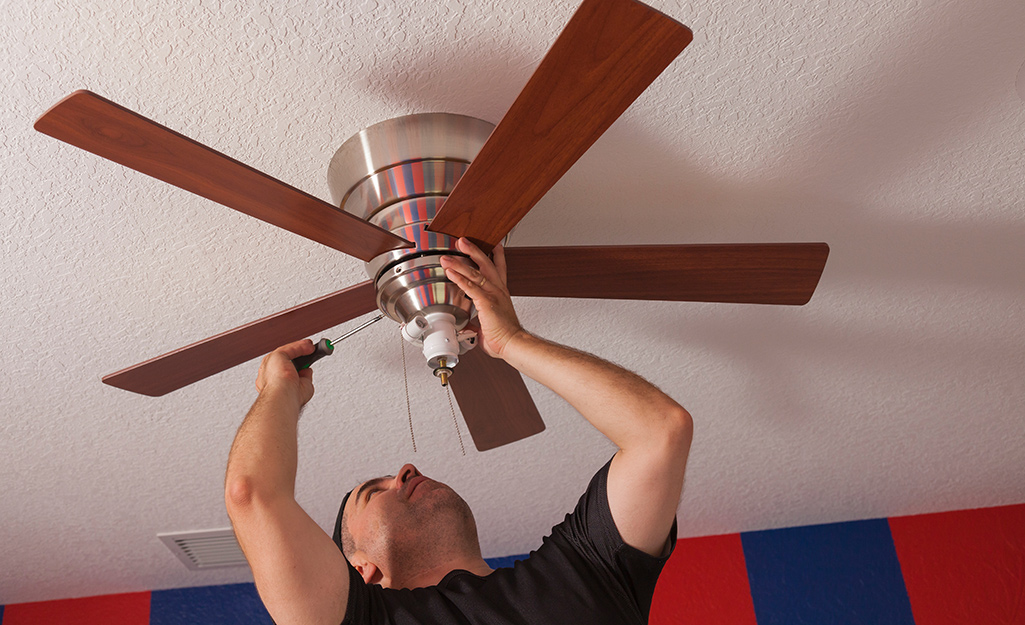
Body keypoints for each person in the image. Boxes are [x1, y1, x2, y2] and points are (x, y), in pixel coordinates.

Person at [225, 237, 694, 625]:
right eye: (374, 491)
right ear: (361, 570)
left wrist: (513, 342)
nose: (405, 470)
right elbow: (253, 494)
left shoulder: (582, 575)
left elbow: (660, 432)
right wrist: (278, 392)